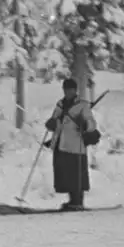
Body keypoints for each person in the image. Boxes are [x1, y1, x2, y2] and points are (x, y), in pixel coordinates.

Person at [45, 78, 100, 211]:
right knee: (65, 174)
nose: (68, 92)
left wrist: (85, 124)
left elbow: (92, 124)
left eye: (70, 89)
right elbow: (55, 120)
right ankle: (71, 201)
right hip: (62, 144)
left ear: (75, 90)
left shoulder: (82, 105)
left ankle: (77, 201)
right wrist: (51, 123)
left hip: (76, 145)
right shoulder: (60, 104)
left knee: (76, 175)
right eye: (66, 89)